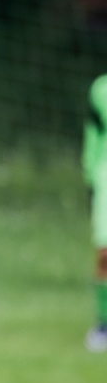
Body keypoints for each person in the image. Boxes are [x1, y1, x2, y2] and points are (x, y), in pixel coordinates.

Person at [85, 74, 107, 352]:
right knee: (104, 254)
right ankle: (103, 325)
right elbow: (92, 135)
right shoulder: (101, 89)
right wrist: (89, 175)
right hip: (105, 178)